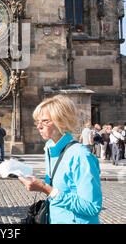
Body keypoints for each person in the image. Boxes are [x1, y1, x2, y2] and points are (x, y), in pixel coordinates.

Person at [18, 95, 102, 224]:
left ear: (62, 121)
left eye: (45, 121)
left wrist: (46, 189)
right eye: (38, 122)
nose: (39, 126)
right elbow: (59, 187)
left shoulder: (80, 155)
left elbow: (92, 207)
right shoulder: (49, 148)